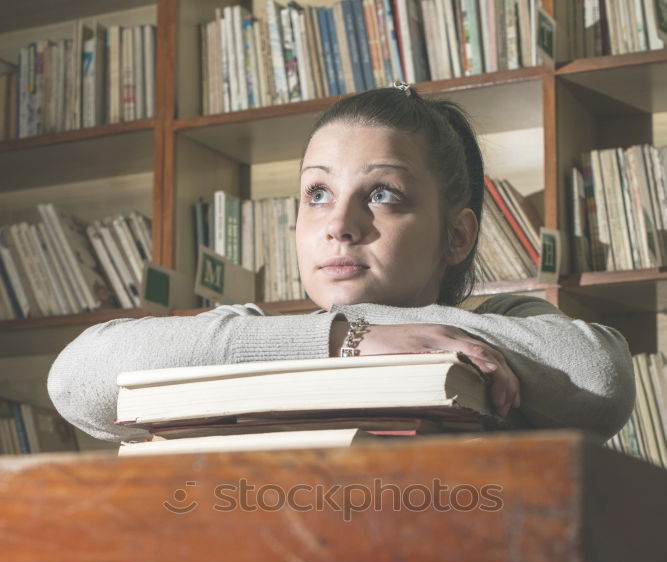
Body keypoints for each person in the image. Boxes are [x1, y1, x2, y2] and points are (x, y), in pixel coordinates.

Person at [47, 84, 635, 443]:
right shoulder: (254, 331)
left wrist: (424, 335)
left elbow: (598, 378)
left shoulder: (505, 324)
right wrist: (346, 337)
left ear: (456, 236)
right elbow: (75, 379)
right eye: (317, 193)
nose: (338, 224)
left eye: (383, 194)